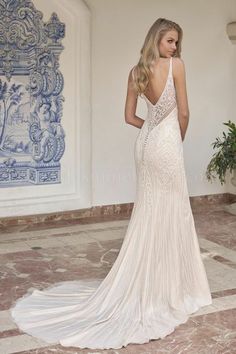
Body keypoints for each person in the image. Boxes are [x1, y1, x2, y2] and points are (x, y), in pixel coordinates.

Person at [10, 18, 212, 350]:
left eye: (177, 42)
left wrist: (154, 128)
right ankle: (173, 288)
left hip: (145, 145)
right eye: (170, 41)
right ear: (157, 40)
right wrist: (174, 139)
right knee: (174, 210)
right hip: (166, 146)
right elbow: (185, 113)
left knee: (150, 211)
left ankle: (153, 280)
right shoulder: (177, 66)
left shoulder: (136, 72)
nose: (175, 47)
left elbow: (130, 117)